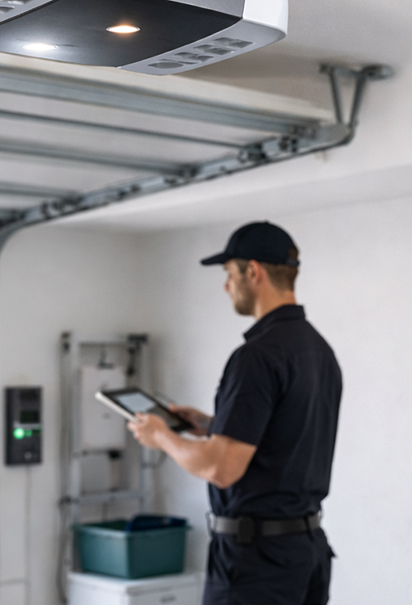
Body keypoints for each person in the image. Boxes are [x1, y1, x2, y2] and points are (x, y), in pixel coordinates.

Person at [128, 221, 342, 605]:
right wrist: (213, 426)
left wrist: (162, 436)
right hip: (305, 554)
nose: (226, 286)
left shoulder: (256, 357)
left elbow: (220, 468)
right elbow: (288, 435)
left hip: (257, 565)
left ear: (253, 272)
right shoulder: (318, 351)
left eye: (229, 274)